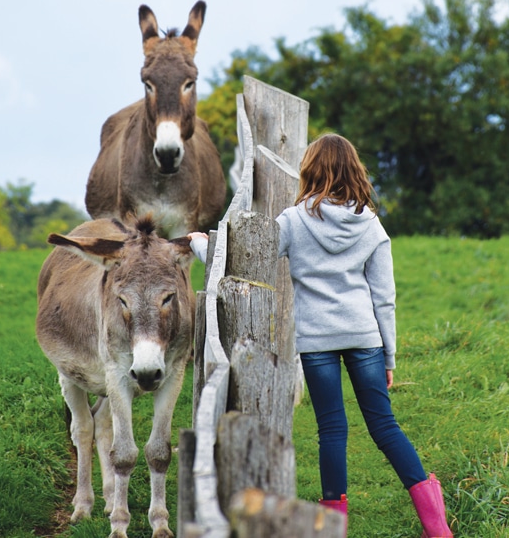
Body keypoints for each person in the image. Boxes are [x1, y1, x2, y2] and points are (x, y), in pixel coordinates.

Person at [188, 133, 453, 538]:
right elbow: (385, 299)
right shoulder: (371, 225)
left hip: (317, 342)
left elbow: (251, 261)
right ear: (354, 172)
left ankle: (336, 528)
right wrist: (390, 358)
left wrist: (204, 248)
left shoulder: (294, 221)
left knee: (332, 429)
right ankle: (437, 528)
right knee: (384, 426)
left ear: (309, 172)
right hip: (365, 337)